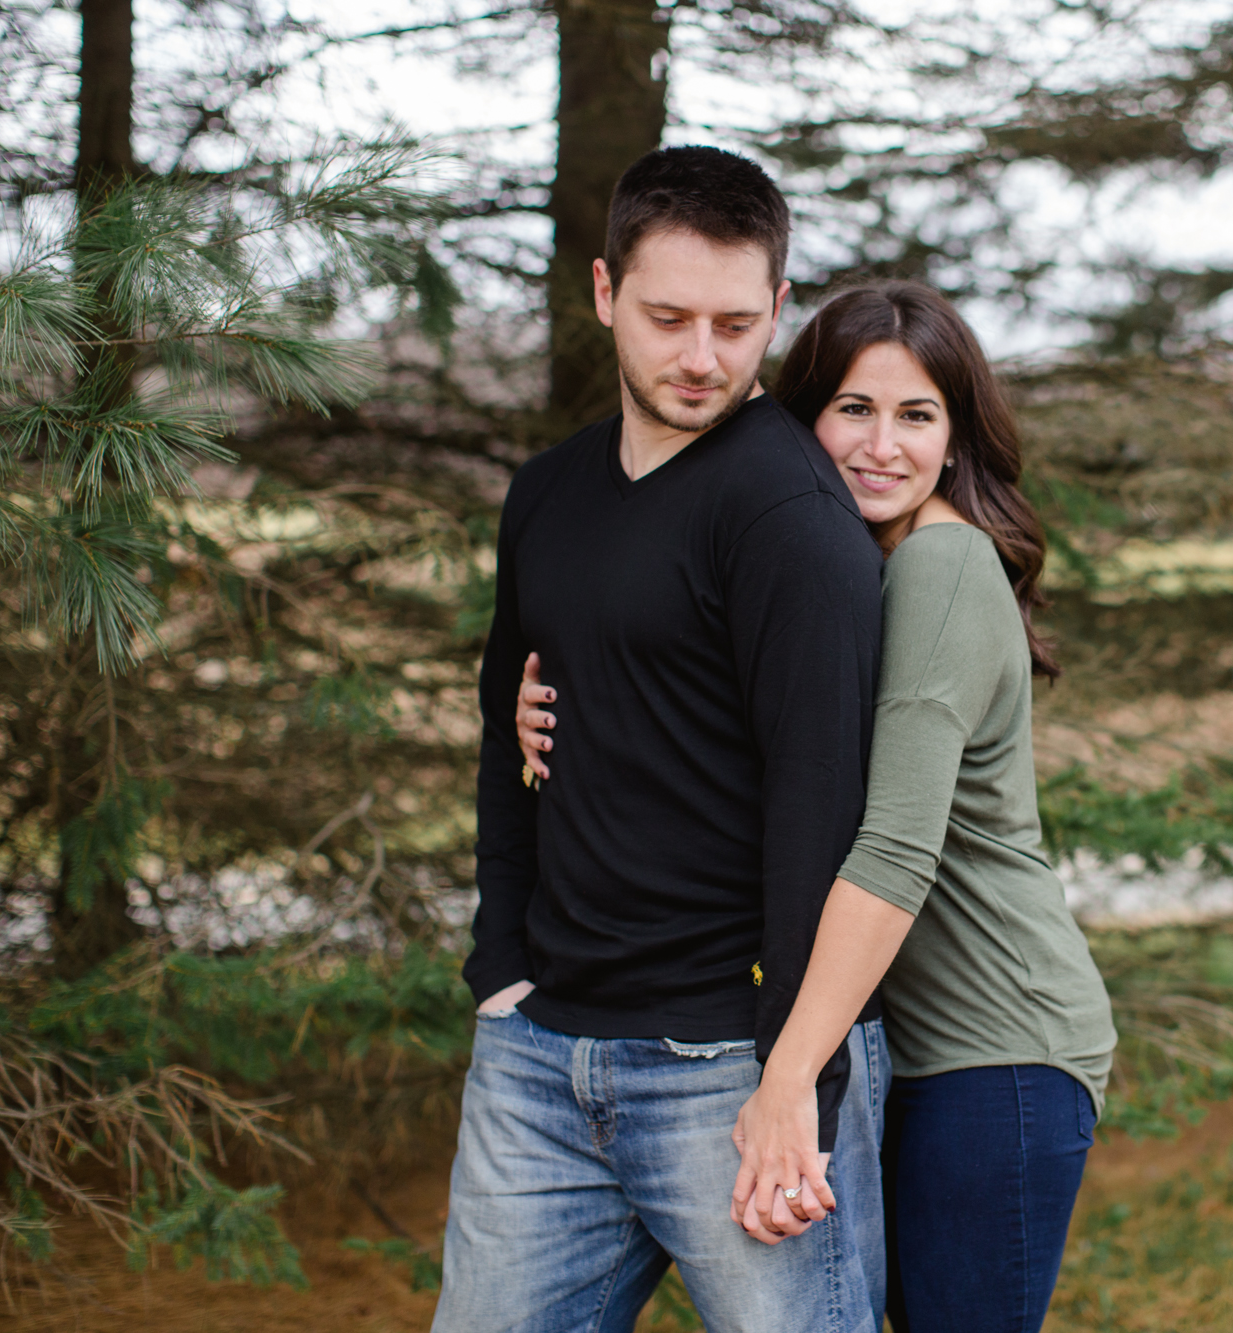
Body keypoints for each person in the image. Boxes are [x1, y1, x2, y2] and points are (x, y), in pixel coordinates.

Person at [517, 282, 1118, 1333]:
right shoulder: (834, 567)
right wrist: (540, 711)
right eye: (852, 407)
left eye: (916, 414)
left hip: (994, 1048)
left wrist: (784, 1076)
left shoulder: (937, 563)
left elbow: (891, 847)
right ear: (802, 418)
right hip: (890, 1038)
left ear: (955, 436)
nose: (880, 444)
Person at [437, 146, 889, 1333]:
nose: (702, 356)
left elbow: (825, 812)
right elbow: (506, 721)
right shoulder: (547, 492)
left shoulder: (789, 518)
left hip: (727, 1070)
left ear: (778, 309)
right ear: (601, 292)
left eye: (737, 324)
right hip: (541, 1061)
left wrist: (798, 1083)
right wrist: (500, 967)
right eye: (667, 316)